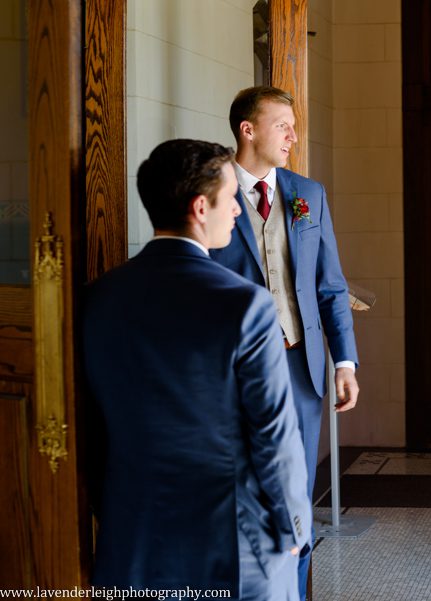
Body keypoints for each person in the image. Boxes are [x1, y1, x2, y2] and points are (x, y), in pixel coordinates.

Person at [84, 139, 311, 599]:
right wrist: (294, 525)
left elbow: (91, 426)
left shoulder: (97, 298)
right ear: (200, 207)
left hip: (132, 537)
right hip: (232, 540)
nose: (238, 211)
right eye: (231, 199)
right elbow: (273, 432)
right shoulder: (245, 304)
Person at [211, 86, 360, 598]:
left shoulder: (307, 194)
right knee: (239, 493)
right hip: (234, 373)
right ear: (248, 130)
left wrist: (344, 362)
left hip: (300, 368)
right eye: (283, 126)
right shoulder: (212, 189)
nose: (294, 136)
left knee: (296, 499)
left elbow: (330, 286)